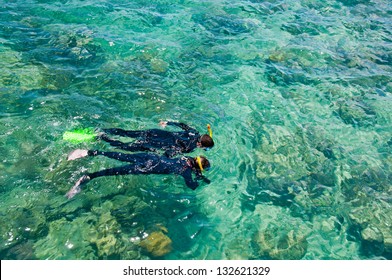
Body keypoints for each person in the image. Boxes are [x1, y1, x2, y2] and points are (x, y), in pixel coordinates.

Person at [65, 149, 211, 199]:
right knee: (117, 170)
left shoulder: (186, 158)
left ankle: (89, 152)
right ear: (197, 168)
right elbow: (192, 186)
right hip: (149, 166)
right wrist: (200, 178)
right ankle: (89, 177)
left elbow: (170, 154)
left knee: (120, 155)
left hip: (151, 157)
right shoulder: (186, 171)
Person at [99, 121, 214, 157]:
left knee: (127, 133)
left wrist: (168, 122)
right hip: (155, 143)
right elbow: (171, 152)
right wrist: (162, 157)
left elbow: (183, 125)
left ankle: (104, 130)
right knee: (126, 147)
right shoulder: (190, 148)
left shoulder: (194, 132)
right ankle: (103, 138)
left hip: (156, 132)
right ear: (200, 145)